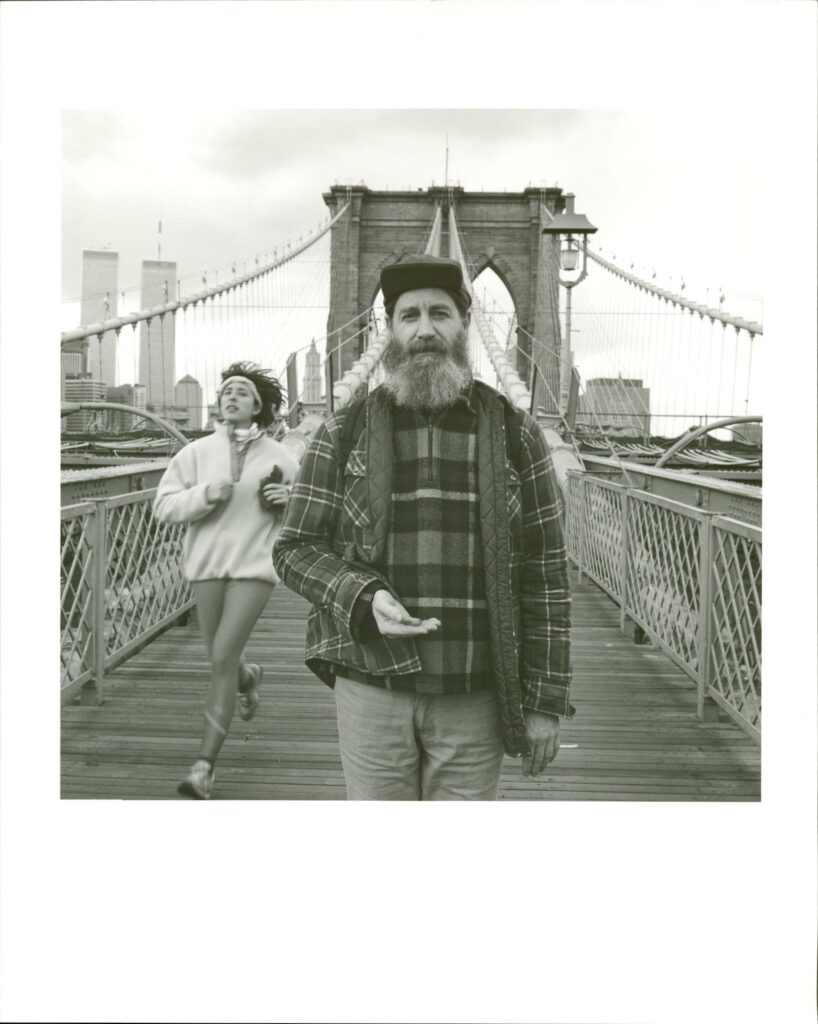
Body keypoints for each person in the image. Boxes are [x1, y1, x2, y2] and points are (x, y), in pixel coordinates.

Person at [273, 255, 574, 800]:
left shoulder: (517, 433)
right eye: (408, 316)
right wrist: (360, 596)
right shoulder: (342, 431)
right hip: (370, 683)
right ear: (389, 332)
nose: (425, 329)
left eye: (441, 313)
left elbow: (547, 572)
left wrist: (546, 700)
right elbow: (294, 549)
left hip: (475, 689)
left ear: (464, 326)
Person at [154, 361, 298, 799]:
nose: (231, 396)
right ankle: (248, 677)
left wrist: (287, 500)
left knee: (219, 658)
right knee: (222, 657)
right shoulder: (194, 455)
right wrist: (202, 495)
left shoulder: (281, 457)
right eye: (226, 392)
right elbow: (162, 506)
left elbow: (310, 511)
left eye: (242, 391)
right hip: (206, 567)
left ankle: (204, 767)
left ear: (259, 405)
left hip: (254, 568)